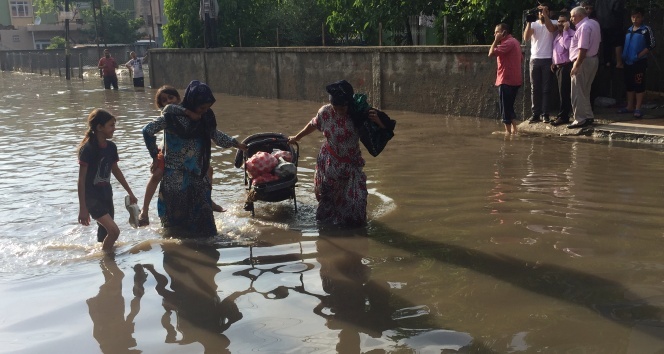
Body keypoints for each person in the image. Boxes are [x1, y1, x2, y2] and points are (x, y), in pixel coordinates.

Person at [142, 80, 246, 236]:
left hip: (198, 178)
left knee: (206, 231)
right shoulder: (171, 117)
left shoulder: (205, 119)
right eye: (202, 107)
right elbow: (147, 131)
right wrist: (155, 158)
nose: (204, 111)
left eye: (207, 108)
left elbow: (215, 135)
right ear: (192, 102)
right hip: (176, 181)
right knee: (175, 231)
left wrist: (237, 144)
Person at [287, 80, 386, 227]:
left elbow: (382, 133)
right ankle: (326, 232)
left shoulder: (358, 113)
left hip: (352, 164)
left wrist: (378, 121)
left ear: (349, 104)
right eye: (336, 107)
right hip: (330, 162)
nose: (339, 111)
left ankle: (356, 230)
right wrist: (297, 137)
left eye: (343, 107)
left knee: (358, 201)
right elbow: (313, 124)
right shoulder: (325, 112)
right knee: (328, 203)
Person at [77, 108, 138, 252]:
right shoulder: (88, 149)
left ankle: (105, 265)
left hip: (106, 195)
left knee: (105, 233)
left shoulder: (111, 147)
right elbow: (81, 180)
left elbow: (115, 170)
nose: (114, 129)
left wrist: (130, 192)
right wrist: (83, 208)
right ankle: (106, 259)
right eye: (111, 125)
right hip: (92, 198)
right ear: (99, 127)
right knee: (115, 231)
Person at [567, 6, 601, 129]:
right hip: (593, 59)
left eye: (573, 16)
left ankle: (579, 119)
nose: (571, 19)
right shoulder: (594, 23)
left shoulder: (584, 27)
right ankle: (588, 116)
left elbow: (583, 48)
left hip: (583, 61)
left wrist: (576, 65)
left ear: (581, 15)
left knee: (577, 91)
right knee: (585, 90)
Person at [524, 3, 558, 124]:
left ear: (549, 12)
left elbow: (551, 29)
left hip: (548, 58)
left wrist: (545, 15)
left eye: (546, 11)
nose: (542, 13)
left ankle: (545, 114)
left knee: (546, 88)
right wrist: (528, 22)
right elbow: (526, 38)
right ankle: (535, 113)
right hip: (535, 59)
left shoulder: (553, 22)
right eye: (541, 11)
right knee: (535, 88)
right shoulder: (533, 24)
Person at [618, 7, 655, 119]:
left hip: (639, 62)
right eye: (633, 17)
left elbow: (652, 44)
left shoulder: (645, 30)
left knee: (639, 84)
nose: (635, 19)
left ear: (642, 17)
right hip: (628, 61)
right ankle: (630, 106)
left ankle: (638, 108)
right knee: (629, 85)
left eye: (638, 17)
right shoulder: (628, 30)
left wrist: (639, 55)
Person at [488, 23, 523, 135]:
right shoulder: (515, 42)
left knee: (505, 107)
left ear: (504, 32)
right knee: (508, 106)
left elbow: (491, 53)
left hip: (506, 79)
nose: (495, 34)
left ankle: (507, 132)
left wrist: (495, 41)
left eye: (497, 32)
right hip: (514, 80)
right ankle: (514, 129)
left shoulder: (508, 43)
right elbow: (521, 59)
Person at [550, 12, 575, 126]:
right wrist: (553, 62)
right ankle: (561, 114)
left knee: (564, 93)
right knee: (561, 92)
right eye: (559, 21)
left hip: (566, 66)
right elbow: (556, 51)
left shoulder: (571, 34)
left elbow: (568, 47)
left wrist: (565, 30)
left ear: (568, 22)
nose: (560, 24)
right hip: (558, 67)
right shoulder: (558, 35)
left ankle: (564, 116)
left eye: (563, 21)